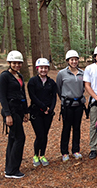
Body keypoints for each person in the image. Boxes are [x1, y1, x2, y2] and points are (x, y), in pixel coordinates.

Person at [0, 51, 29, 179]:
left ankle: (9, 168)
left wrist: (25, 111)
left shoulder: (20, 76)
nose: (17, 65)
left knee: (13, 138)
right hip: (10, 110)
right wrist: (7, 114)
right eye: (14, 63)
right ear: (9, 63)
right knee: (19, 138)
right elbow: (2, 96)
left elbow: (22, 95)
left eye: (19, 63)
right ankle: (13, 170)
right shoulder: (4, 76)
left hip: (18, 109)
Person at [56, 50, 86, 162]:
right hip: (67, 105)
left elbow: (83, 87)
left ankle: (76, 150)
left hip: (78, 104)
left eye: (76, 59)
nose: (74, 62)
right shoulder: (62, 73)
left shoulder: (82, 73)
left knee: (77, 128)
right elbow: (59, 88)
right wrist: (64, 99)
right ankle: (64, 152)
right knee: (66, 128)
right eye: (71, 60)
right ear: (68, 61)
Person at [28, 58, 57, 167]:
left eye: (45, 68)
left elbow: (54, 97)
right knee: (39, 134)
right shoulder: (32, 81)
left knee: (45, 134)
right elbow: (33, 96)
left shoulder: (51, 82)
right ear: (37, 69)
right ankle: (35, 155)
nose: (43, 70)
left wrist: (51, 109)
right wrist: (43, 107)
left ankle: (42, 155)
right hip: (36, 112)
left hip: (48, 113)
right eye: (41, 68)